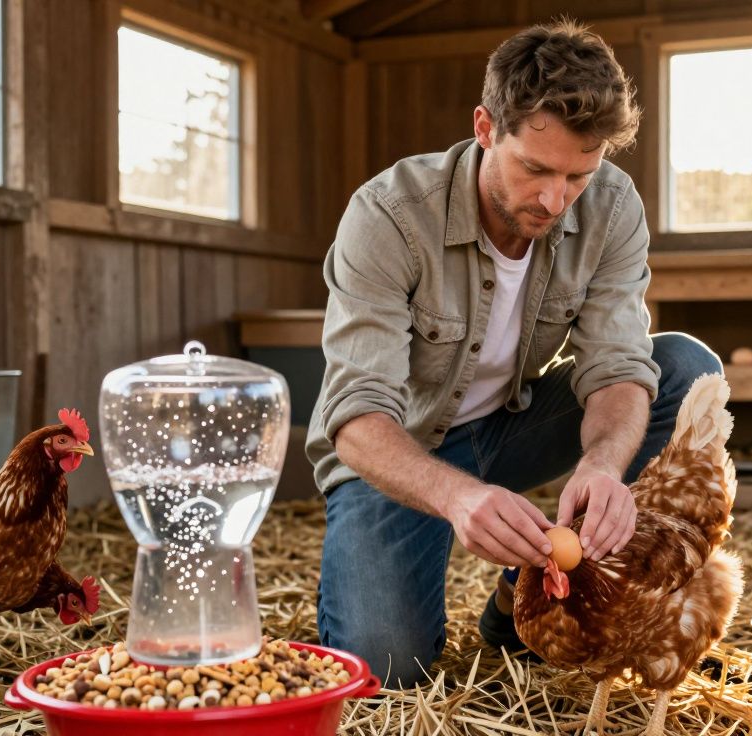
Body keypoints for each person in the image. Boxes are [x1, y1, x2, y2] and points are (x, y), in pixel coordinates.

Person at [305, 19, 722, 687]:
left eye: (578, 174)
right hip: (400, 449)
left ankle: (523, 593)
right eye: (535, 168)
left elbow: (616, 364)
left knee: (685, 370)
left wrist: (602, 464)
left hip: (510, 426)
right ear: (485, 128)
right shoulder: (388, 215)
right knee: (386, 666)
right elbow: (355, 415)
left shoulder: (612, 206)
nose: (555, 199)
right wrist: (458, 497)